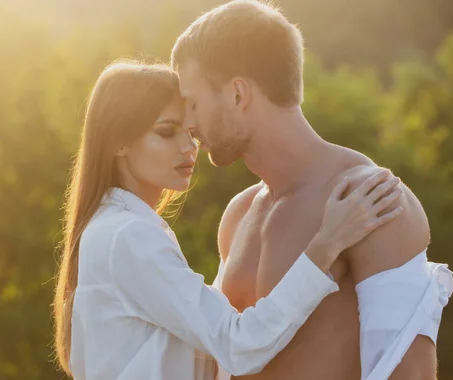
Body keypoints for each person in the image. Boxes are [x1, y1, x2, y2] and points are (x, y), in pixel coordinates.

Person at [52, 61, 404, 380]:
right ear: (119, 143)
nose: (188, 147)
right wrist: (325, 246)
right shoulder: (126, 236)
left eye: (189, 131)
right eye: (165, 131)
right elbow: (238, 347)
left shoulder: (113, 229)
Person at [170, 1, 453, 379]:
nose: (187, 122)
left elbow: (409, 374)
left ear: (237, 94)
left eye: (193, 102)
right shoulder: (238, 217)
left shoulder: (374, 202)